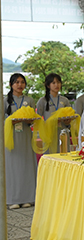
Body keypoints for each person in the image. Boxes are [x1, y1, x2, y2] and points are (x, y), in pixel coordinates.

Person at [4, 74, 37, 209]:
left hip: (25, 136)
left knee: (26, 166)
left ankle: (27, 198)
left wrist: (29, 120)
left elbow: (34, 119)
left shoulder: (29, 100)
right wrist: (11, 121)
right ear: (11, 84)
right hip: (11, 138)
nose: (19, 85)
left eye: (22, 82)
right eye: (16, 82)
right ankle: (12, 199)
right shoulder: (5, 101)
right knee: (12, 167)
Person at [36, 73, 72, 153]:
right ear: (48, 85)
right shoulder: (42, 101)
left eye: (58, 82)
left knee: (64, 153)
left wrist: (67, 123)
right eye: (53, 83)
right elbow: (38, 120)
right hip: (49, 134)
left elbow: (69, 117)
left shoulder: (64, 100)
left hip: (63, 132)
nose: (57, 85)